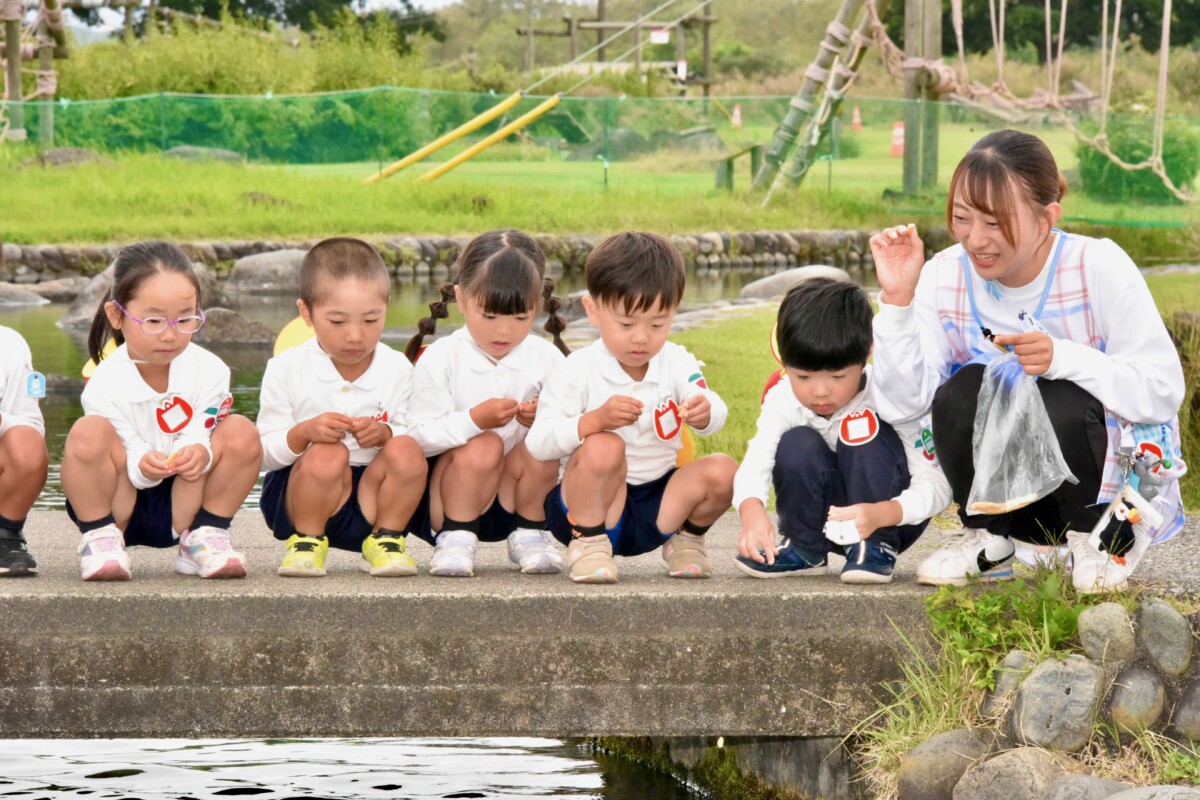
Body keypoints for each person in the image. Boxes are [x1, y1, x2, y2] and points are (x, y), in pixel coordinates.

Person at [869, 129, 1187, 593]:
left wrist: (1065, 358)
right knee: (962, 389)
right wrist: (898, 303)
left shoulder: (1097, 266)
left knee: (1060, 392)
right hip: (1015, 510)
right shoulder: (944, 275)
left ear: (1046, 217)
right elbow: (904, 406)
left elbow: (1161, 391)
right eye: (962, 218)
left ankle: (1099, 543)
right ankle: (988, 538)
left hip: (1106, 501)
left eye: (996, 223)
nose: (975, 239)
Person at [527, 231, 737, 583]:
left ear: (675, 309)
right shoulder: (577, 370)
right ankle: (588, 545)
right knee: (605, 444)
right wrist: (593, 421)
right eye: (626, 323)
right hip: (588, 508)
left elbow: (709, 402)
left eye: (658, 323)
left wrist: (705, 411)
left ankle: (686, 538)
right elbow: (538, 443)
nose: (641, 337)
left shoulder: (676, 361)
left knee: (725, 471)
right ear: (593, 310)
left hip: (658, 506)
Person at [61, 241, 261, 581]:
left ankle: (204, 535)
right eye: (154, 320)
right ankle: (100, 539)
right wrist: (142, 460)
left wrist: (197, 449)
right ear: (116, 315)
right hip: (118, 503)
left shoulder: (211, 370)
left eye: (185, 319)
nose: (170, 335)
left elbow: (202, 427)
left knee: (241, 431)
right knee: (87, 432)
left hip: (185, 499)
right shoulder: (103, 382)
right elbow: (126, 442)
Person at [732, 278, 952, 583]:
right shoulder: (782, 397)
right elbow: (756, 461)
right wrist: (752, 514)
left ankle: (875, 546)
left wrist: (883, 514)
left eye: (837, 376)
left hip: (891, 518)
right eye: (803, 377)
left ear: (868, 352)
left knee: (860, 430)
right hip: (826, 520)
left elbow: (938, 485)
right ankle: (804, 547)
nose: (820, 392)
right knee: (795, 442)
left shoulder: (892, 394)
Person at [257, 237, 427, 578]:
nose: (355, 336)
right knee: (328, 452)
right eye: (338, 322)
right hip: (302, 493)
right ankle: (306, 542)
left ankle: (387, 539)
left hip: (374, 497)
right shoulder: (285, 368)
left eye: (370, 320)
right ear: (306, 313)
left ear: (386, 309)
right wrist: (304, 432)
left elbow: (419, 435)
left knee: (407, 449)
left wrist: (386, 434)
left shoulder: (398, 368)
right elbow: (264, 454)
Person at [405, 230, 569, 577]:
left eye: (520, 318)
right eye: (490, 316)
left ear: (538, 304)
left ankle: (531, 532)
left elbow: (575, 433)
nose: (504, 332)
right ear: (461, 299)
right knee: (485, 444)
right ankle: (455, 537)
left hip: (518, 496)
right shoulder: (442, 357)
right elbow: (416, 437)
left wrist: (544, 421)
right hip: (451, 498)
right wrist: (474, 421)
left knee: (543, 446)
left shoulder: (548, 359)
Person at [0, 327, 49, 576]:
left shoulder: (8, 343)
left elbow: (30, 425)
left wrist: (2, 420)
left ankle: (5, 532)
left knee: (27, 443)